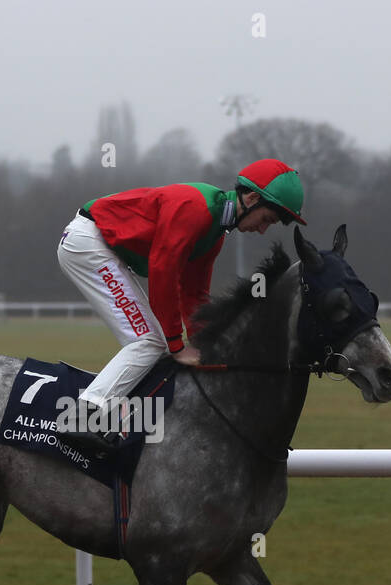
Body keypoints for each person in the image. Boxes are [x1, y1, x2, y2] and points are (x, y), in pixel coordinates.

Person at [56, 158, 307, 451]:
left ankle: (122, 418)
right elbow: (163, 273)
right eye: (266, 219)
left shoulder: (214, 233)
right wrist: (177, 345)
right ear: (251, 198)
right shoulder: (196, 210)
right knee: (152, 342)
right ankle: (84, 416)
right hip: (88, 244)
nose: (263, 229)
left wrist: (207, 345)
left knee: (157, 344)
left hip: (100, 246)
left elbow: (194, 294)